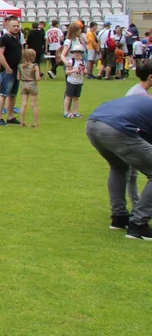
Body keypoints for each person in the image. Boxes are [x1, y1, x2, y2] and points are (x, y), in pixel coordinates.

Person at [85, 94, 152, 240]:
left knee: (118, 167)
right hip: (116, 127)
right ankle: (138, 225)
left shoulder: (144, 101)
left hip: (93, 123)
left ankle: (119, 217)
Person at [0, 16, 23, 126]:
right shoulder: (4, 38)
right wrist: (7, 67)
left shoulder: (17, 38)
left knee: (12, 95)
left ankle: (10, 117)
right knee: (3, 94)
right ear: (8, 26)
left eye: (17, 26)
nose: (16, 28)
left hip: (16, 70)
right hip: (8, 71)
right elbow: (0, 53)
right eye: (14, 26)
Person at [17, 48, 41, 128]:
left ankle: (22, 122)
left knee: (23, 104)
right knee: (34, 104)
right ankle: (35, 123)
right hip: (32, 84)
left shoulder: (20, 66)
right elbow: (37, 78)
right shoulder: (35, 66)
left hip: (24, 84)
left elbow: (18, 78)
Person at [64, 45, 87, 119]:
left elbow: (85, 71)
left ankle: (75, 111)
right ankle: (66, 112)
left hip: (79, 82)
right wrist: (74, 70)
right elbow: (67, 72)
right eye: (75, 52)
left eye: (79, 52)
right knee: (68, 97)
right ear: (73, 53)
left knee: (76, 98)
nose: (77, 54)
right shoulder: (71, 61)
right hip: (71, 81)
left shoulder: (82, 62)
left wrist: (84, 71)